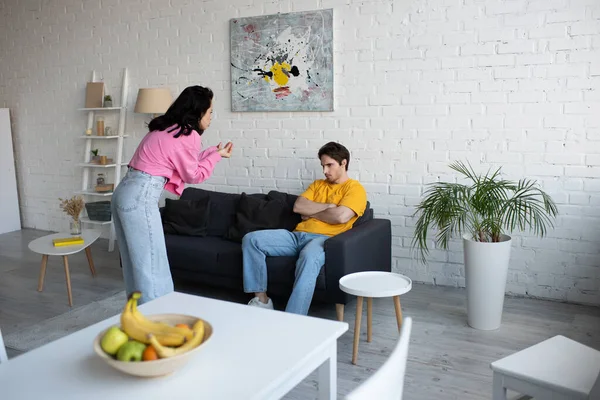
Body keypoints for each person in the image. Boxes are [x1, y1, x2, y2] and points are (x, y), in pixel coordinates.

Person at [111, 86, 233, 304]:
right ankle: (159, 319)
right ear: (198, 112)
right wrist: (215, 157)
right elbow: (194, 174)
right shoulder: (189, 135)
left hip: (124, 193)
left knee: (135, 265)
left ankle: (139, 314)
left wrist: (214, 153)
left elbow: (184, 160)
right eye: (210, 111)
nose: (212, 116)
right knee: (152, 265)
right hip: (141, 196)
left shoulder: (165, 128)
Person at [242, 142, 367, 315]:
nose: (325, 171)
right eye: (323, 166)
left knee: (308, 257)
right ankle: (262, 300)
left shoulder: (355, 189)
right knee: (252, 239)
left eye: (329, 165)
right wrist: (328, 207)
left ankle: (295, 317)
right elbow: (298, 207)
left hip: (324, 240)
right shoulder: (317, 185)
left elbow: (340, 217)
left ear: (343, 163)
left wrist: (312, 212)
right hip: (296, 236)